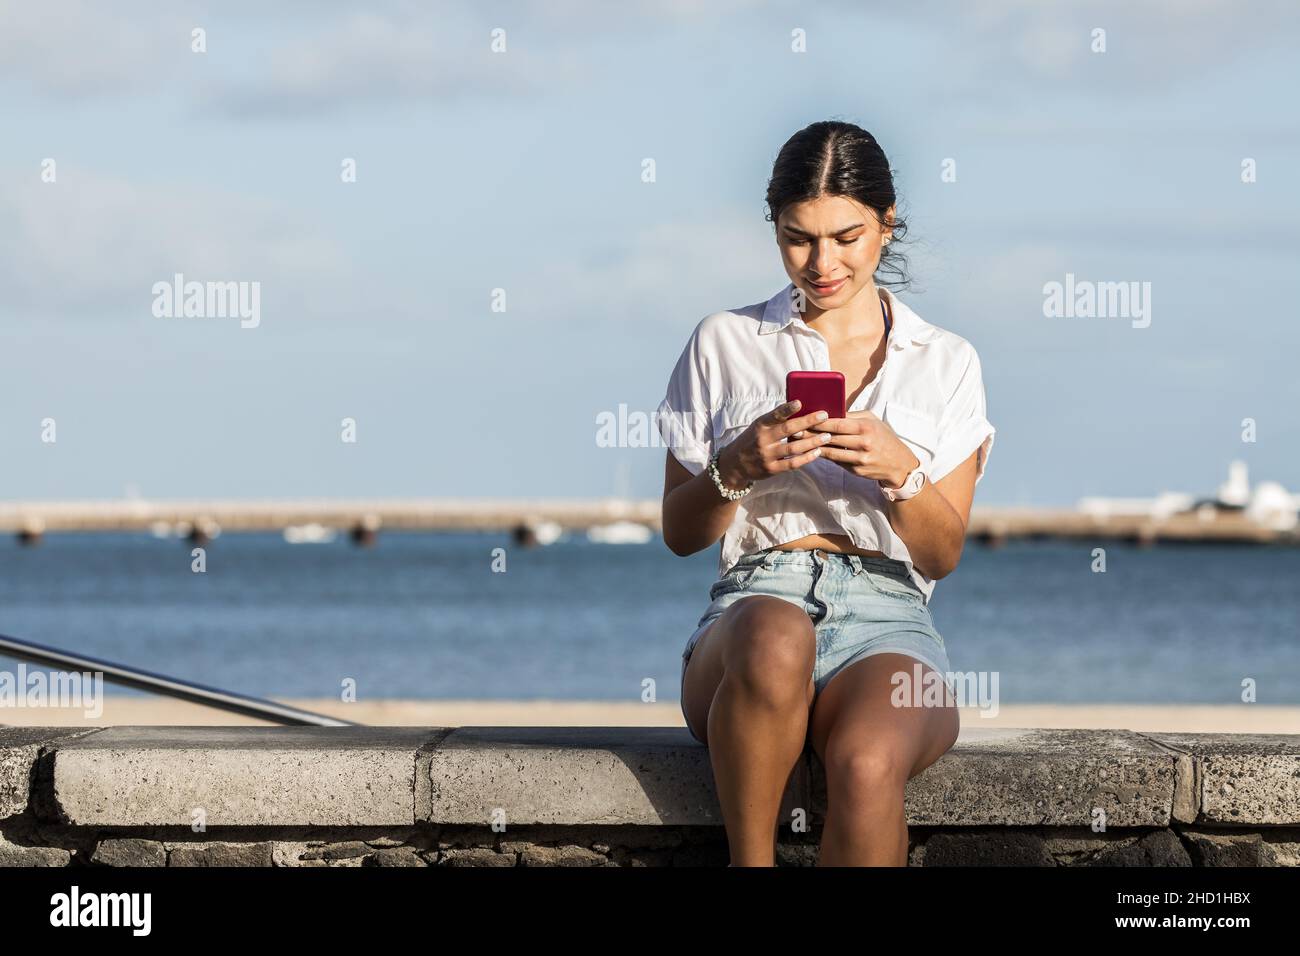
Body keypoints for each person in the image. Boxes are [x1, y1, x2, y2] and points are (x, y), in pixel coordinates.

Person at [657, 120, 995, 867]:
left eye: (847, 236)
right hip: (752, 608)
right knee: (776, 634)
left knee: (868, 765)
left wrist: (899, 470)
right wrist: (737, 466)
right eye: (798, 238)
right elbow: (680, 531)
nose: (822, 262)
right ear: (774, 229)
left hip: (889, 615)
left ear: (887, 223)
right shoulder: (725, 341)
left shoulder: (946, 362)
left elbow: (942, 552)